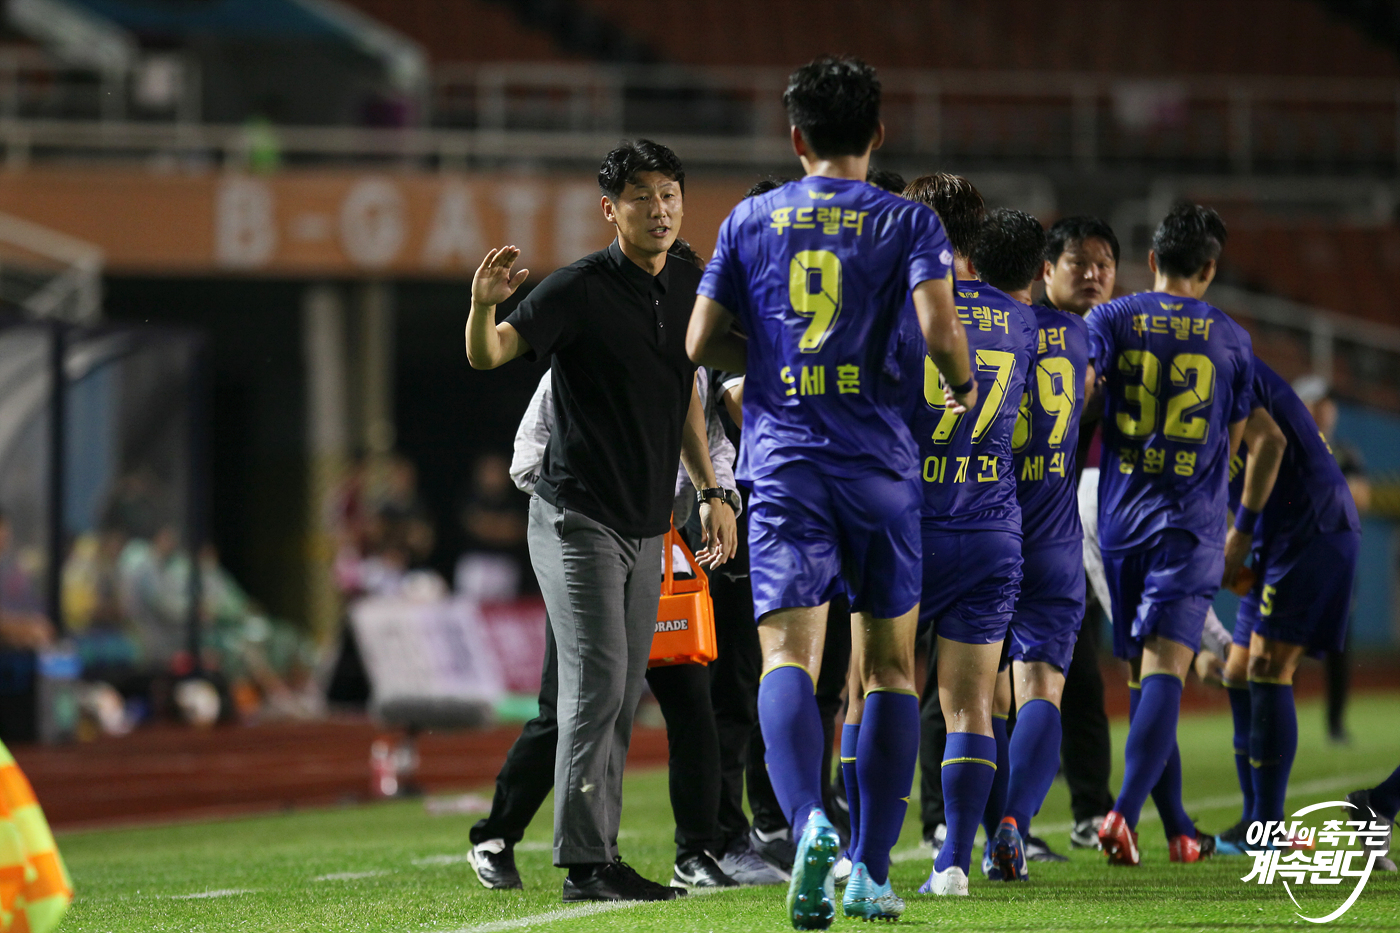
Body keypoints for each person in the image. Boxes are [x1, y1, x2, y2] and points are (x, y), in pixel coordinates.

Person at [688, 57, 970, 927]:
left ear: (795, 136)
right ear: (878, 133)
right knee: (888, 669)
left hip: (785, 468)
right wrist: (960, 385)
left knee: (788, 660)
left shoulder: (750, 219)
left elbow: (698, 340)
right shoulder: (908, 218)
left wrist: (774, 359)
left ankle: (808, 818)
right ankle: (872, 869)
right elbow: (939, 326)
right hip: (880, 468)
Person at [464, 138, 737, 903]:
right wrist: (483, 306)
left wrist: (711, 491)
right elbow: (489, 355)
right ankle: (588, 863)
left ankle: (584, 850)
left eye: (670, 194)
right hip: (576, 515)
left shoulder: (689, 284)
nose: (660, 208)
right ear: (610, 209)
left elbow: (687, 397)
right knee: (595, 689)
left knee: (616, 692)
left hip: (647, 523)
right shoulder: (578, 288)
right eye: (642, 196)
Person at [469, 356, 764, 889]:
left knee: (692, 705)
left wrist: (712, 501)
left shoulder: (693, 372)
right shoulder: (585, 354)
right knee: (567, 711)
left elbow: (715, 449)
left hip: (664, 555)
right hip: (590, 553)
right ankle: (496, 835)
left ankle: (695, 852)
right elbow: (528, 460)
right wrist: (594, 511)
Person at [1087, 202, 1258, 866]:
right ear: (1209, 269)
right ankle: (1123, 815)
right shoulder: (1232, 338)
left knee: (1141, 674)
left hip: (1121, 518)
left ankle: (1179, 827)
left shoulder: (1112, 317)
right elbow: (1233, 445)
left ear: (1153, 259)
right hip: (1189, 522)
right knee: (1166, 670)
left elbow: (1083, 389)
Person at [883, 177, 1034, 897]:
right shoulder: (1022, 320)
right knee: (973, 705)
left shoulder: (901, 308)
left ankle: (863, 852)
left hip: (907, 525)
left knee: (872, 688)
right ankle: (952, 864)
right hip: (991, 525)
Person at [1212, 357, 1358, 855]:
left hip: (1309, 528)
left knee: (1268, 668)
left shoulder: (1217, 361)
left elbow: (1270, 443)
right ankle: (1254, 820)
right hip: (1273, 536)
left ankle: (1269, 829)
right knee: (1237, 672)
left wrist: (1237, 536)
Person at [984, 208, 1093, 882]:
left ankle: (951, 832)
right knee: (1042, 691)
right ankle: (1015, 824)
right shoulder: (1078, 336)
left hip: (984, 529)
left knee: (975, 697)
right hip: (1054, 538)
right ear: (1040, 269)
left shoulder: (975, 326)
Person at [1040, 216, 1120, 850]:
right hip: (997, 523)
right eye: (1078, 262)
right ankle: (947, 819)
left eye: (1103, 265)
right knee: (971, 683)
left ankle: (1091, 808)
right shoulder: (1023, 327)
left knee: (1082, 678)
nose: (1092, 274)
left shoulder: (1107, 336)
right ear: (1047, 269)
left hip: (1065, 533)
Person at [1292, 374, 1369, 745]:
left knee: (1338, 647)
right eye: (1318, 403)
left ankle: (1336, 724)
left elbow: (1360, 500)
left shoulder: (1346, 453)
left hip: (1336, 564)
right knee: (1283, 646)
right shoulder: (1287, 448)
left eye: (1328, 404)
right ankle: (1279, 722)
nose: (1326, 411)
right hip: (1294, 562)